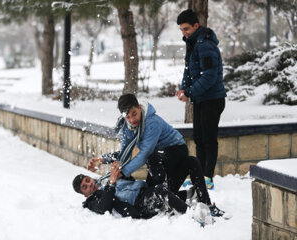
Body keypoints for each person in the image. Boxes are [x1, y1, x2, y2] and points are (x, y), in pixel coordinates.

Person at [86, 94, 225, 217]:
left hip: (175, 149)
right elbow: (125, 153)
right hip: (159, 158)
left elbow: (144, 153)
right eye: (128, 116)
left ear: (139, 107)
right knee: (190, 163)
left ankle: (202, 206)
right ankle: (196, 201)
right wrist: (104, 159)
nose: (132, 119)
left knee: (152, 159)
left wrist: (123, 172)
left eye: (134, 113)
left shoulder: (152, 122)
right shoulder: (127, 127)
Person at [176, 9, 226, 190]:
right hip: (201, 98)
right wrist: (184, 88)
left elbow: (209, 76)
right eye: (181, 30)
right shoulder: (193, 42)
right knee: (198, 138)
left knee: (208, 139)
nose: (184, 33)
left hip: (212, 99)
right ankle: (200, 176)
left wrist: (189, 93)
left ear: (196, 25)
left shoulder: (205, 44)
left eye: (186, 29)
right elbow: (189, 70)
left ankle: (207, 177)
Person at [73, 161, 201, 220]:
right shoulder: (92, 202)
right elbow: (104, 207)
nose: (89, 185)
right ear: (84, 194)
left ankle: (188, 195)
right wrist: (112, 183)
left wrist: (121, 173)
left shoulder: (104, 182)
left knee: (154, 162)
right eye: (85, 187)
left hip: (144, 190)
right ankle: (191, 214)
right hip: (139, 204)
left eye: (88, 180)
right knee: (159, 190)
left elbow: (131, 181)